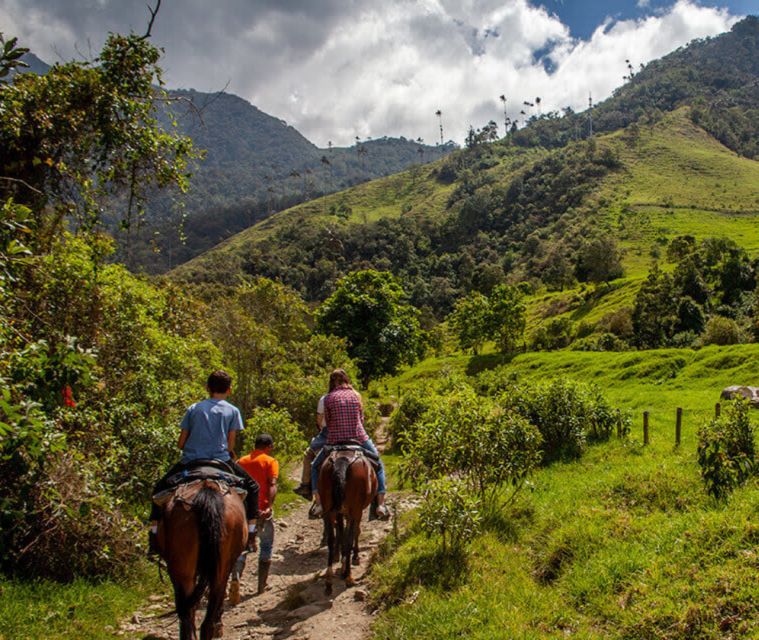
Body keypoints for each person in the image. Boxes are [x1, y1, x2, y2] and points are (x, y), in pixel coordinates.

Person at [148, 370, 260, 554]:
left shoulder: (194, 408)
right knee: (253, 487)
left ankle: (153, 536)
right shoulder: (232, 411)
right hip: (221, 460)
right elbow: (230, 444)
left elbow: (181, 443)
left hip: (191, 460)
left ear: (207, 388)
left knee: (159, 489)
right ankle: (251, 535)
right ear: (229, 390)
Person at [309, 369, 389, 520]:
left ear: (332, 382)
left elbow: (329, 422)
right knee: (378, 463)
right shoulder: (356, 395)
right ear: (346, 380)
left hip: (335, 439)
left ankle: (318, 503)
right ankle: (381, 504)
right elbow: (361, 418)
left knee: (314, 466)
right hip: (358, 437)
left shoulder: (328, 398)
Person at [235, 433, 279, 595]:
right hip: (261, 511)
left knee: (241, 546)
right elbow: (272, 484)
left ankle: (236, 578)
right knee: (266, 545)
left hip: (242, 512)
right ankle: (261, 586)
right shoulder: (270, 461)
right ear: (268, 447)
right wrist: (269, 506)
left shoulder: (240, 462)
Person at [293, 392, 328, 500]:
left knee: (309, 453)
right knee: (374, 456)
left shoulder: (325, 398)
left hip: (329, 433)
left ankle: (306, 485)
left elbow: (319, 419)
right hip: (353, 435)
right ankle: (378, 498)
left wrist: (321, 428)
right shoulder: (355, 395)